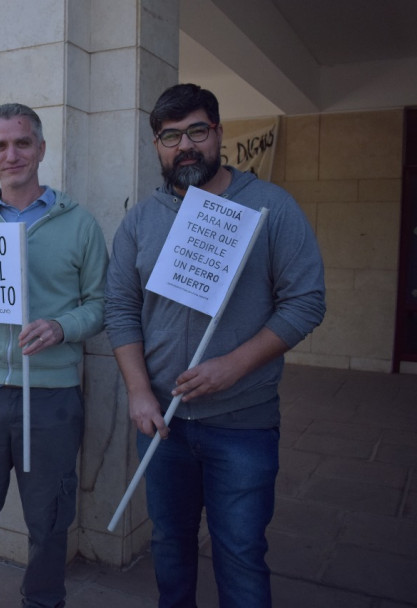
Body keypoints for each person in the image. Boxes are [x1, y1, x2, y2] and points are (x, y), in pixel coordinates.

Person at [104, 83, 326, 607]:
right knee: (169, 546)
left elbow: (306, 301)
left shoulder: (270, 207)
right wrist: (138, 392)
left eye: (198, 131)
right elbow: (120, 310)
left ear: (219, 134)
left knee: (241, 553)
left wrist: (234, 365)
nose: (186, 145)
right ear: (156, 145)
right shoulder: (140, 220)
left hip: (242, 424)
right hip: (162, 424)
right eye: (170, 136)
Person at [0, 103, 109, 608]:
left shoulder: (79, 224)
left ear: (41, 148)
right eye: (0, 145)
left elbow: (101, 306)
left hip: (52, 398)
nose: (11, 154)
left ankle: (43, 601)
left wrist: (62, 327)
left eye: (21, 143)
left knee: (49, 520)